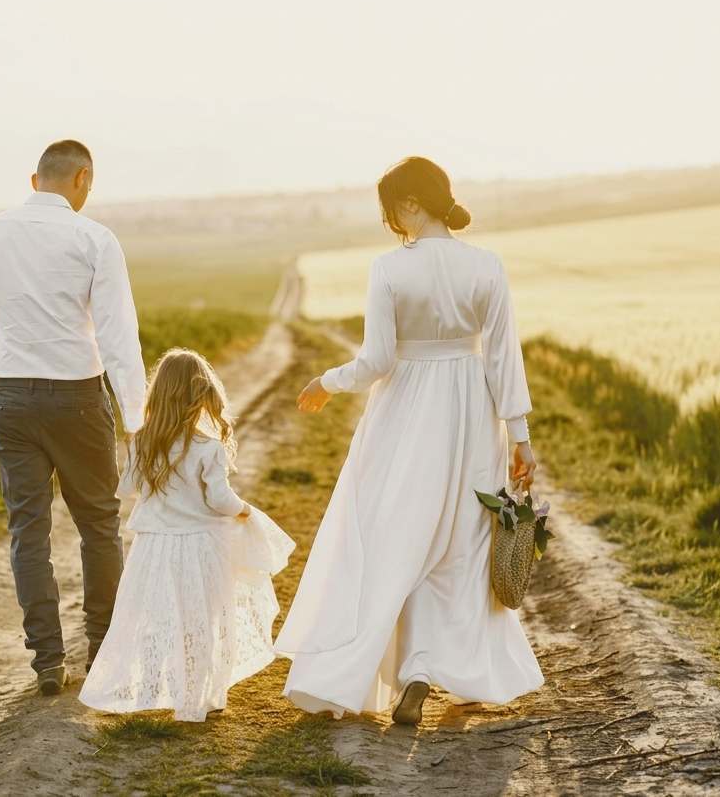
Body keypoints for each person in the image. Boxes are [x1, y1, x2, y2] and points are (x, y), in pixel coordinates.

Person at [274, 156, 544, 724]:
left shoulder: (389, 269)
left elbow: (376, 361)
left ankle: (400, 669)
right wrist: (520, 437)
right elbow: (504, 359)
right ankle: (430, 667)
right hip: (474, 412)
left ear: (412, 203)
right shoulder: (487, 266)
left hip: (405, 412)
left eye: (391, 210)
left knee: (397, 535)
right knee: (464, 542)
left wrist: (328, 381)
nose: (391, 223)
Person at [0, 140, 147, 696]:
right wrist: (135, 418)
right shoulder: (96, 238)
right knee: (99, 526)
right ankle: (102, 653)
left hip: (12, 399)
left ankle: (47, 660)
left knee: (28, 532)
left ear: (35, 179)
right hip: (79, 400)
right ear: (82, 178)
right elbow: (118, 335)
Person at [79, 349, 294, 722]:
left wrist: (138, 454)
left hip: (154, 546)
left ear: (158, 393)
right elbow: (220, 500)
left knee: (155, 615)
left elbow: (127, 488)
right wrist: (246, 510)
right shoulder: (208, 446)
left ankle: (150, 687)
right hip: (201, 545)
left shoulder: (143, 441)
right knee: (201, 620)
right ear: (202, 395)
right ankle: (196, 697)